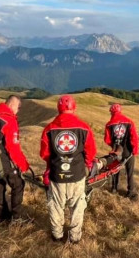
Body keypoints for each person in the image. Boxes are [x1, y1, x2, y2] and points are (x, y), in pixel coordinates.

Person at [40, 95, 97, 243]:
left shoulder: (49, 129)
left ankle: (57, 235)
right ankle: (75, 238)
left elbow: (44, 153)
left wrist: (52, 163)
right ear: (74, 107)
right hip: (77, 175)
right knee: (77, 207)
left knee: (56, 206)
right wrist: (86, 163)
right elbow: (91, 152)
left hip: (56, 175)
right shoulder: (84, 128)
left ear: (58, 109)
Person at [0, 95, 30, 223]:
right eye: (19, 108)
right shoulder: (8, 120)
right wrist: (23, 165)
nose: (18, 111)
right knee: (18, 184)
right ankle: (16, 219)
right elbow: (13, 148)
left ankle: (3, 217)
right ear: (13, 105)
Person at [105, 103, 139, 200]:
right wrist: (135, 150)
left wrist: (113, 145)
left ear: (111, 112)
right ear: (120, 110)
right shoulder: (129, 122)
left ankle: (114, 188)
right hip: (128, 151)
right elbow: (134, 138)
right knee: (130, 172)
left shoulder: (109, 124)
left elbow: (107, 140)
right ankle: (130, 192)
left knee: (115, 170)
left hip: (116, 151)